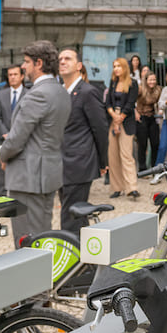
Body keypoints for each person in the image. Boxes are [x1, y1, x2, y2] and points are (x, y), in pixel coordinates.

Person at [0, 40, 71, 239]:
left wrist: (1, 154)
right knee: (42, 235)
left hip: (28, 179)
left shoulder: (37, 95)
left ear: (39, 63)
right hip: (46, 175)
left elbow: (16, 139)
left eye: (26, 62)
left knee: (27, 242)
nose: (23, 66)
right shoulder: (61, 92)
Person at [58, 49, 108, 233]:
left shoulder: (88, 92)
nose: (62, 62)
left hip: (79, 164)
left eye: (68, 59)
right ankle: (87, 259)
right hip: (61, 164)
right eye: (60, 59)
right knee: (75, 217)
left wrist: (103, 162)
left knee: (71, 219)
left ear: (79, 66)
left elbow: (100, 129)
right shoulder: (60, 92)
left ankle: (73, 260)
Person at [105, 57, 140, 198]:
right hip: (113, 118)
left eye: (119, 66)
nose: (116, 68)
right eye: (114, 66)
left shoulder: (133, 83)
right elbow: (107, 102)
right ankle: (117, 187)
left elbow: (131, 103)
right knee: (113, 156)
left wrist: (120, 118)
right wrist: (114, 116)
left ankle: (131, 188)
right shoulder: (113, 83)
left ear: (125, 67)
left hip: (126, 120)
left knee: (126, 155)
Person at [0, 64, 25, 196]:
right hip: (3, 140)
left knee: (20, 172)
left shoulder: (30, 94)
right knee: (2, 175)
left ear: (22, 76)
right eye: (10, 75)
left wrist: (16, 134)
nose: (12, 77)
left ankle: (18, 201)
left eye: (15, 74)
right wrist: (5, 133)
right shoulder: (2, 95)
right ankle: (0, 202)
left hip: (22, 141)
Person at [134, 70, 162, 171]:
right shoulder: (140, 89)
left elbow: (160, 102)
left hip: (152, 117)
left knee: (155, 143)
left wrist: (161, 109)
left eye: (154, 80)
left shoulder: (158, 89)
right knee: (142, 143)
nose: (152, 82)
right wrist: (135, 112)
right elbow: (131, 100)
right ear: (146, 80)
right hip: (141, 117)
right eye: (150, 80)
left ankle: (154, 167)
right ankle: (142, 168)